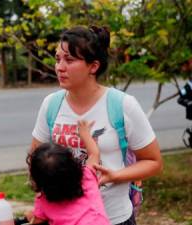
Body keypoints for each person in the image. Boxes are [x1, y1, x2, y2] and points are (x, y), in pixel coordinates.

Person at [31, 26, 163, 225]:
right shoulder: (51, 104)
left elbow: (154, 162)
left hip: (114, 218)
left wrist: (115, 176)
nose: (59, 67)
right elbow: (36, 160)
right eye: (58, 59)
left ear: (93, 66)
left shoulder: (122, 105)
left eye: (69, 60)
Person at [25, 120, 110, 225]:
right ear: (72, 162)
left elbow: (37, 222)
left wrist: (31, 217)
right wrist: (85, 134)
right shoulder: (87, 177)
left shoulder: (42, 201)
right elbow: (94, 154)